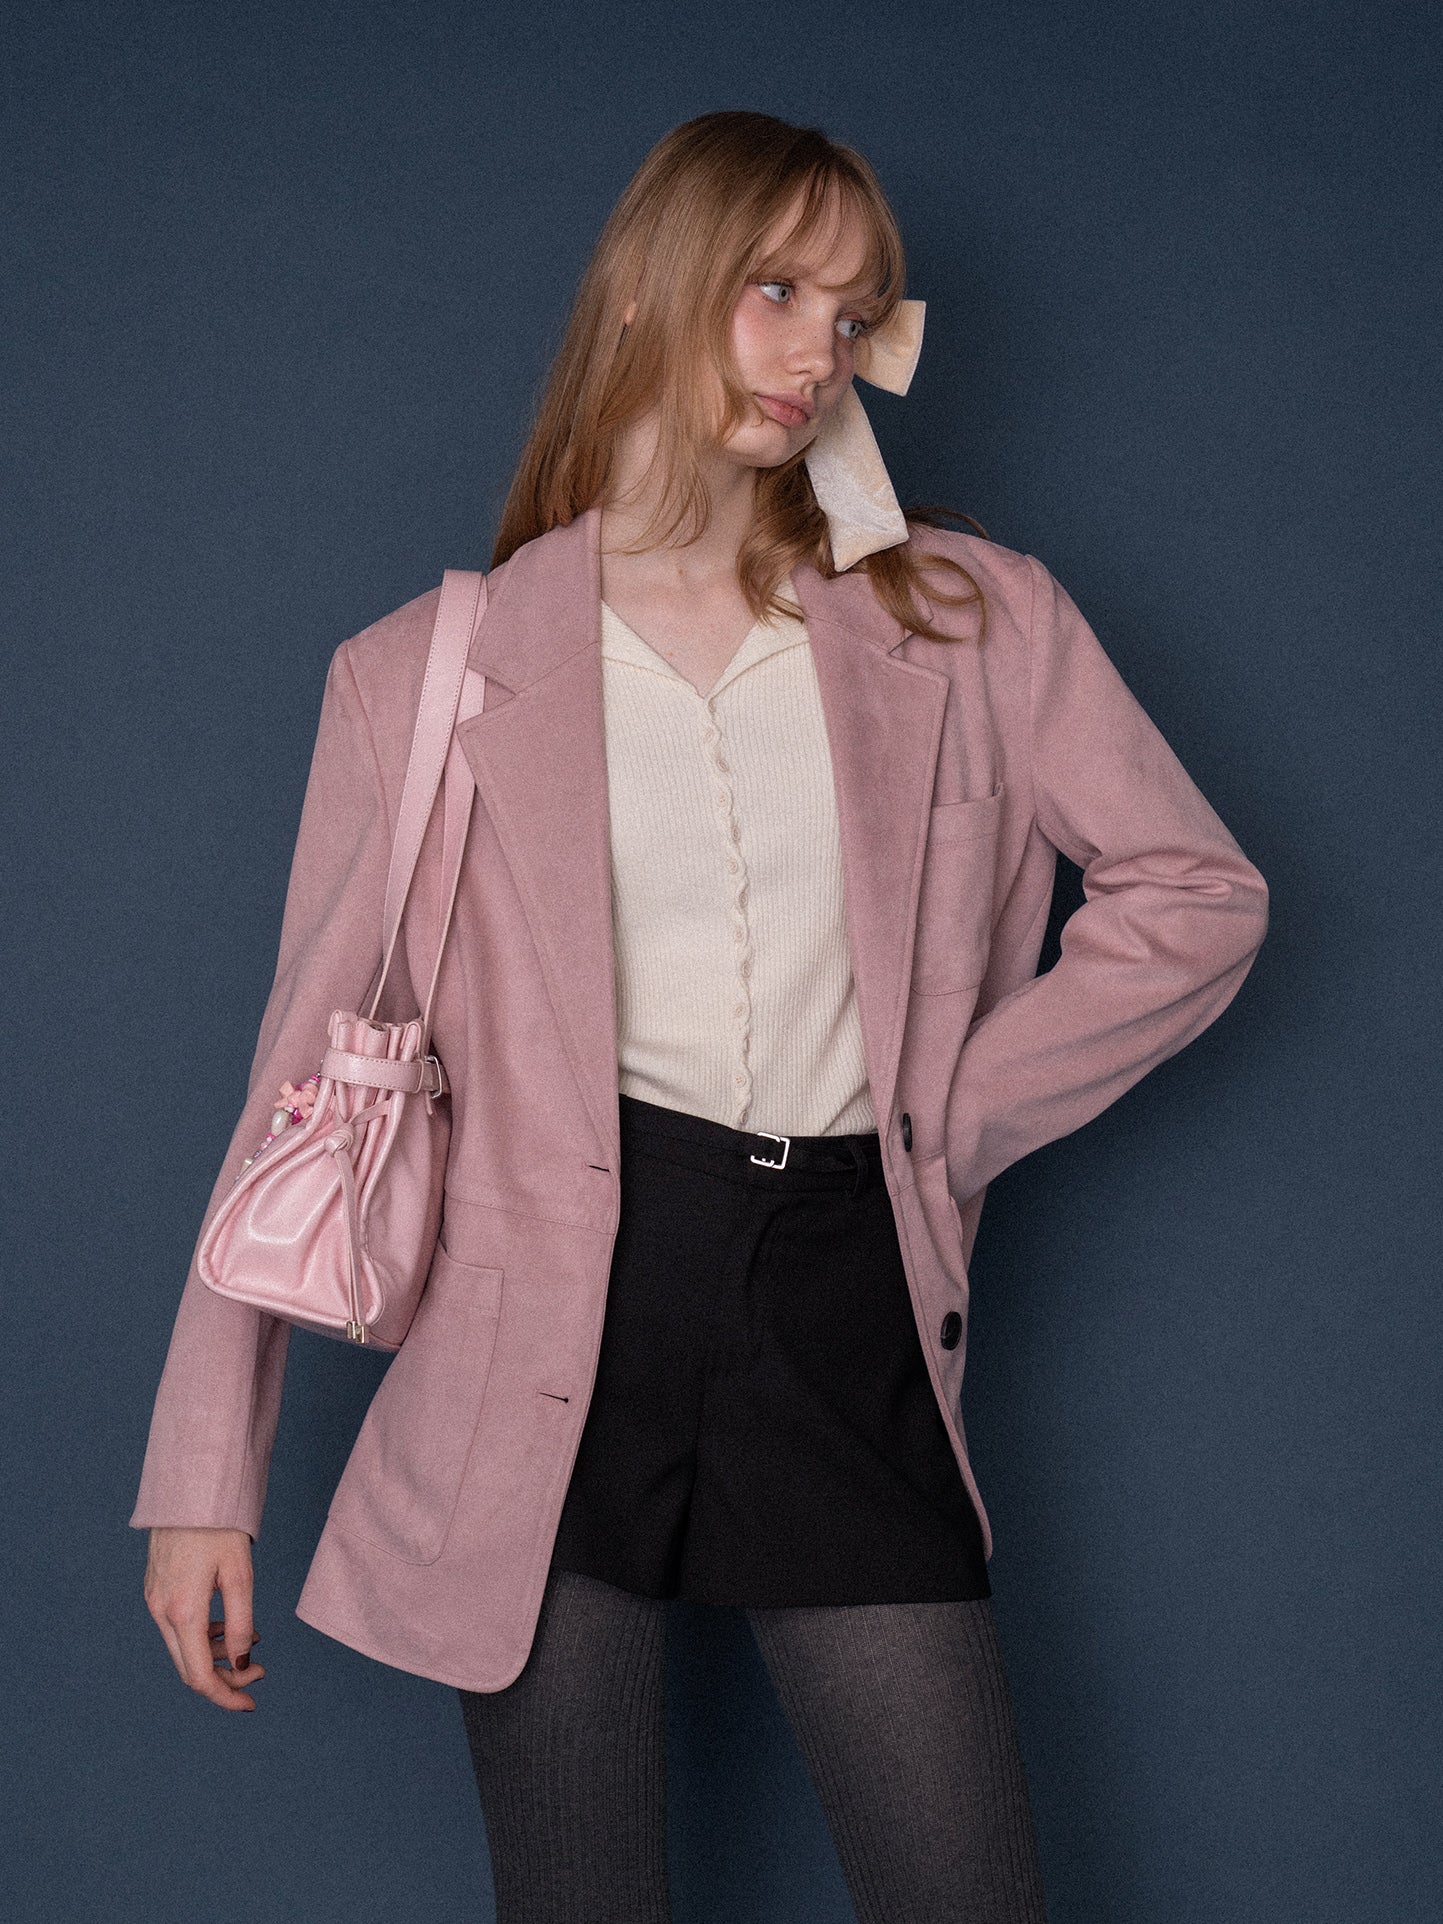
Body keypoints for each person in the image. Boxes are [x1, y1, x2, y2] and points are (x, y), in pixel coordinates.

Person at [132, 111, 1269, 1923]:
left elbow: (1197, 894)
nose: (818, 352)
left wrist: (952, 1115)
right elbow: (301, 1076)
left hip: (842, 1292)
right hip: (544, 1329)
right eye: (777, 292)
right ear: (650, 290)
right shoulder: (426, 673)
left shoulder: (972, 620)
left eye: (854, 313)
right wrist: (206, 1479)